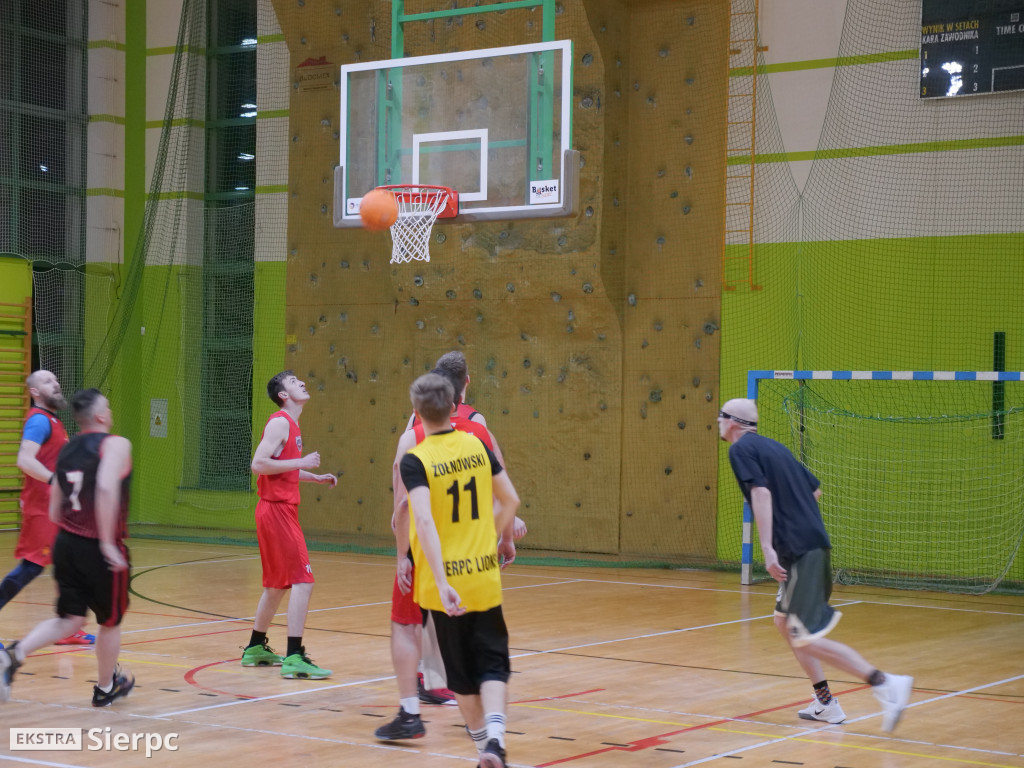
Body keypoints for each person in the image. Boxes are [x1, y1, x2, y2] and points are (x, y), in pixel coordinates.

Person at [719, 398, 914, 732]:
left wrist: (767, 548)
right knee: (784, 623)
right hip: (809, 546)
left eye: (721, 416)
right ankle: (825, 704)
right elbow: (814, 492)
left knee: (805, 637)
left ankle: (884, 682)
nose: (718, 422)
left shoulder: (740, 450)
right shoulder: (775, 448)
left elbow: (761, 494)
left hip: (800, 551)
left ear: (734, 421)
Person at [375, 366, 521, 741]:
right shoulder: (479, 435)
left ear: (416, 409)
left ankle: (411, 711)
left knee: (406, 626)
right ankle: (488, 731)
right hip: (475, 561)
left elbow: (405, 508)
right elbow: (507, 496)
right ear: (459, 394)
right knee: (485, 651)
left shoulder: (412, 442)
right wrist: (500, 537)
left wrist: (403, 555)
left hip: (431, 560)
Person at [0, 388, 133, 706]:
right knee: (110, 621)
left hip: (65, 541)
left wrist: (69, 531)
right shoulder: (116, 444)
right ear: (100, 416)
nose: (111, 412)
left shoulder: (68, 446)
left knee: (69, 619)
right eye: (108, 408)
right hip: (99, 546)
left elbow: (55, 503)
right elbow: (105, 486)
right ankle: (105, 688)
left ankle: (13, 654)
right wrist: (106, 542)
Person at [239, 371, 337, 680]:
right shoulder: (280, 422)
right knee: (302, 581)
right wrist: (302, 463)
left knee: (276, 585)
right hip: (277, 511)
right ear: (283, 395)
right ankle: (295, 656)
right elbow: (258, 464)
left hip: (275, 510)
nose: (302, 383)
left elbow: (279, 468)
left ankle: (255, 648)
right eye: (294, 382)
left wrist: (313, 477)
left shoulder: (291, 425)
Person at [0, 370, 94, 648]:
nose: (56, 383)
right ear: (34, 392)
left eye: (55, 379)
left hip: (57, 510)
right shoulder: (40, 420)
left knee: (69, 565)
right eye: (47, 381)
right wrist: (55, 481)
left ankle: (68, 626)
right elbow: (24, 460)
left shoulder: (54, 421)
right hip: (42, 509)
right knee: (30, 568)